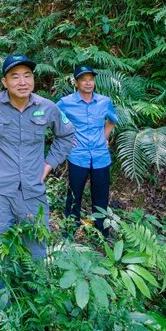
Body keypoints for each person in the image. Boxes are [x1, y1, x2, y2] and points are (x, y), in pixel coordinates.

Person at [0, 54, 75, 299]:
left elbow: (66, 135)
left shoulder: (47, 107)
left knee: (36, 242)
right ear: (4, 82)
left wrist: (50, 164)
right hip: (0, 190)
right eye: (15, 76)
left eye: (27, 76)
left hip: (33, 189)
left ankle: (37, 294)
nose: (22, 82)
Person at [56, 65, 119, 237]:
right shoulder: (66, 102)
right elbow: (53, 118)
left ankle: (102, 233)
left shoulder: (104, 101)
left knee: (101, 196)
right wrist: (65, 137)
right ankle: (69, 231)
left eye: (91, 79)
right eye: (83, 80)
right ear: (76, 83)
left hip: (101, 156)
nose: (88, 83)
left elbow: (112, 121)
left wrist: (104, 137)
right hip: (78, 155)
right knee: (74, 195)